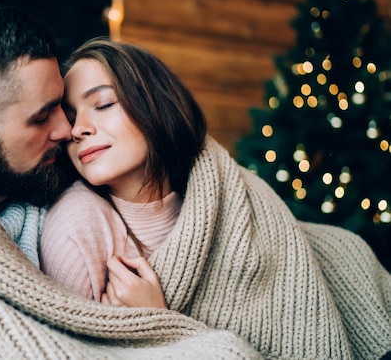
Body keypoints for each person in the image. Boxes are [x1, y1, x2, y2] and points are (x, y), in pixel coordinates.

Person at [0, 3, 262, 359]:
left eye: (63, 108)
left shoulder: (41, 193)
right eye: (43, 116)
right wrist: (159, 331)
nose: (66, 130)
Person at [40, 38, 391, 360]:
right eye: (70, 118)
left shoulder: (239, 205)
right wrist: (159, 328)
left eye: (102, 104)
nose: (77, 129)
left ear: (155, 106)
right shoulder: (78, 233)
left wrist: (160, 324)